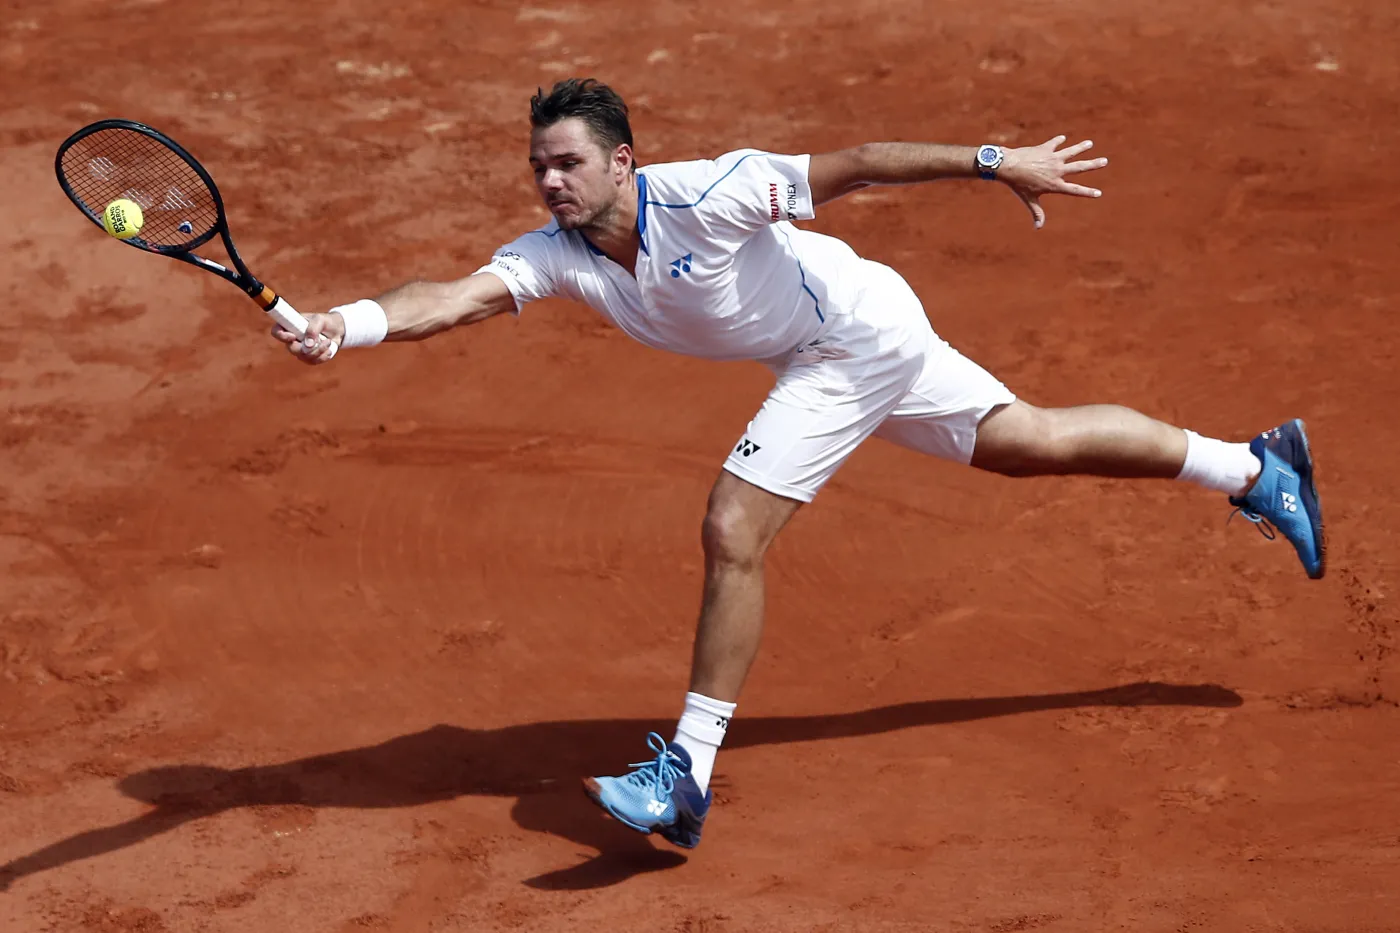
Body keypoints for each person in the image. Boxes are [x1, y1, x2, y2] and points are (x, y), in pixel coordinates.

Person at [273, 78, 1324, 850]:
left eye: (569, 163)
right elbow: (449, 298)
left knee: (733, 525)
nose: (549, 181)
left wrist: (997, 163)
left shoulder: (708, 194)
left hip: (851, 339)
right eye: (538, 166)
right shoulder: (555, 254)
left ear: (622, 163)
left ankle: (685, 770)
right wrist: (349, 323)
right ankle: (1249, 467)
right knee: (1025, 442)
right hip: (842, 330)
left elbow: (854, 163)